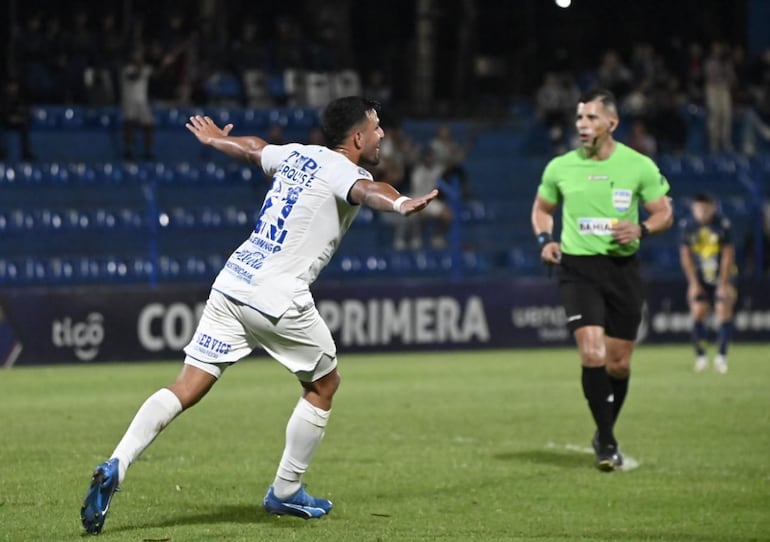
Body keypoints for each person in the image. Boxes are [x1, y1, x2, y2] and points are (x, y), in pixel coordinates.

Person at [79, 96, 438, 534]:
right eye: (377, 127)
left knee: (187, 384)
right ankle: (286, 491)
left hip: (234, 280)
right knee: (324, 384)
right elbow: (368, 191)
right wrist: (401, 204)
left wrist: (214, 141)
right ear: (358, 136)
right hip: (278, 295)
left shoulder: (296, 155)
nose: (382, 134)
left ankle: (118, 461)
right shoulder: (349, 172)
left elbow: (252, 148)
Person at [531, 88, 673, 472]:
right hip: (577, 269)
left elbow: (664, 212)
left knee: (619, 363)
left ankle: (603, 431)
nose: (582, 124)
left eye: (591, 118)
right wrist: (545, 240)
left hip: (621, 271)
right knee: (592, 352)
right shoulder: (560, 167)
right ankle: (607, 441)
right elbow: (542, 209)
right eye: (579, 118)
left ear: (612, 123)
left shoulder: (638, 165)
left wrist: (641, 228)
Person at [678, 193, 738, 374]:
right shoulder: (687, 226)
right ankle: (701, 356)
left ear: (713, 208)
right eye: (698, 209)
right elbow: (685, 256)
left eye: (705, 209)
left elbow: (728, 255)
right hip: (700, 277)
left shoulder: (723, 225)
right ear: (693, 209)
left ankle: (721, 356)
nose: (701, 213)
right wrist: (693, 283)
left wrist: (723, 283)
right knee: (698, 312)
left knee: (723, 310)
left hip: (723, 275)